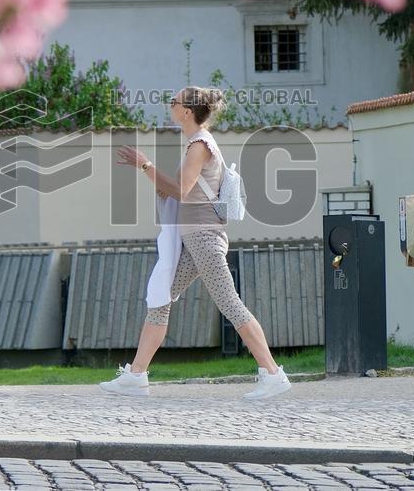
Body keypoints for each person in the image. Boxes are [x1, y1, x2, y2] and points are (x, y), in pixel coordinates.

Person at [101, 86, 292, 401]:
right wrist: (149, 174)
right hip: (194, 239)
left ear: (186, 112)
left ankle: (273, 374)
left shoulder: (200, 145)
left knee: (230, 303)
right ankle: (136, 376)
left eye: (173, 100)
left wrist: (145, 166)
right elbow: (174, 191)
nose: (169, 103)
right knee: (160, 297)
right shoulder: (194, 143)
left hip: (204, 239)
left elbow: (181, 190)